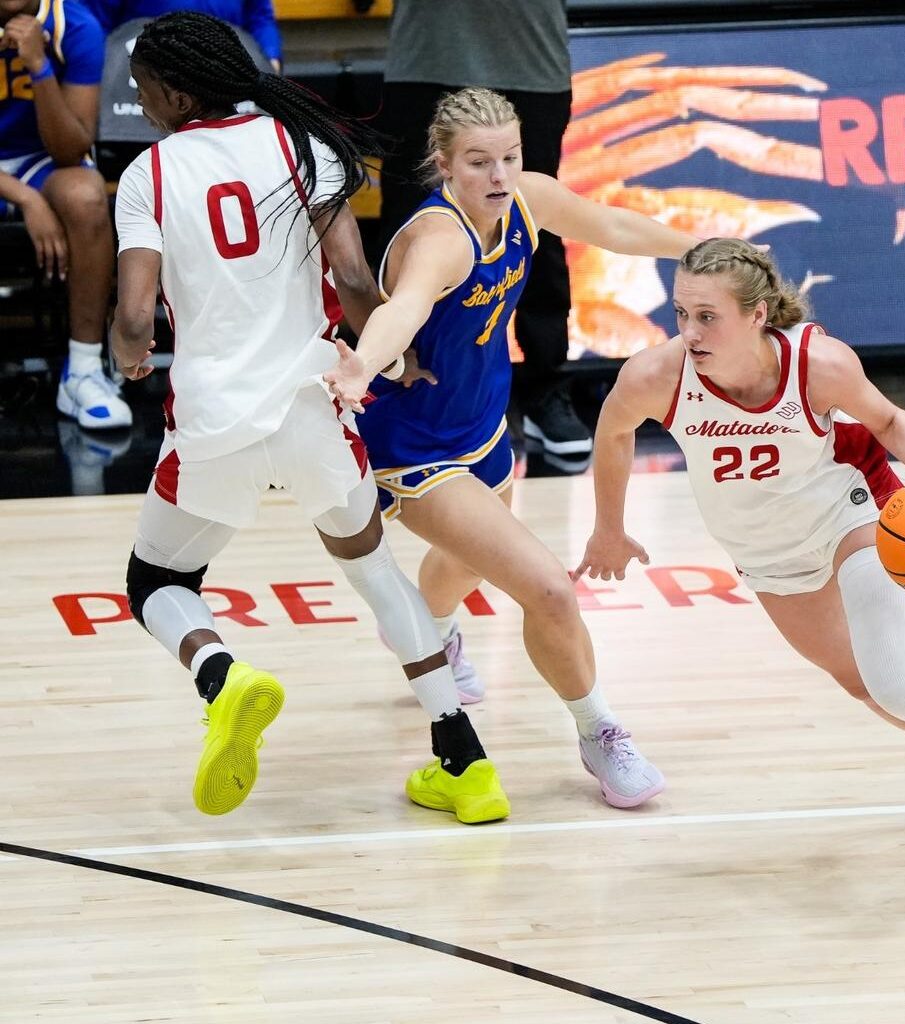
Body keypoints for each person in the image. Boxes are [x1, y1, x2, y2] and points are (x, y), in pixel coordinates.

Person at [109, 13, 507, 825]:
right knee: (375, 573)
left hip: (216, 423)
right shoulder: (307, 146)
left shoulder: (149, 174)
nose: (140, 102)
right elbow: (357, 283)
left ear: (177, 91)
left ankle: (222, 676)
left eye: (145, 88)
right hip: (315, 409)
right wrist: (395, 360)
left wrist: (128, 356)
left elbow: (134, 313)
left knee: (157, 582)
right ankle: (463, 760)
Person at [575, 239, 905, 838]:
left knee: (897, 681)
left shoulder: (818, 363)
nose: (689, 331)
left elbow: (890, 420)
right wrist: (608, 527)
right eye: (682, 314)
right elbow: (612, 433)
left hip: (855, 511)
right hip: (765, 549)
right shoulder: (656, 376)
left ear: (757, 315)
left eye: (708, 316)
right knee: (863, 684)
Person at [323, 87, 699, 810]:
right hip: (415, 442)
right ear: (444, 165)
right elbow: (402, 308)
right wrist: (363, 365)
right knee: (548, 588)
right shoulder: (439, 238)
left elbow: (612, 225)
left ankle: (428, 631)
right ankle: (601, 733)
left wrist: (698, 247)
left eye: (509, 157)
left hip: (484, 422)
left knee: (464, 561)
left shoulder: (526, 199)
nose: (498, 176)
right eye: (477, 162)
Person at [379, 0, 591, 464]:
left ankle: (545, 389)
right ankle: (391, 372)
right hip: (428, 55)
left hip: (528, 57)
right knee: (410, 231)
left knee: (538, 223)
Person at [0, 0, 122, 430]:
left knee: (87, 196)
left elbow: (72, 148)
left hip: (38, 158)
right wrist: (27, 200)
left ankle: (84, 370)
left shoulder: (76, 25)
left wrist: (39, 67)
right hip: (13, 177)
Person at [80, 1, 282, 69]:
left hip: (226, 72)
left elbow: (260, 17)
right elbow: (99, 24)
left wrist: (271, 58)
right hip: (145, 83)